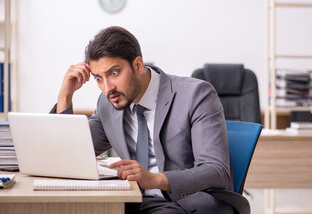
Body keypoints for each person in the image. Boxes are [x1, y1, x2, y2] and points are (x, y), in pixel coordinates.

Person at [52, 26, 248, 214]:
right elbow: (70, 152)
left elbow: (216, 171)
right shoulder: (108, 103)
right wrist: (65, 96)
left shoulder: (196, 94)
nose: (107, 87)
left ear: (138, 65)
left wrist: (155, 179)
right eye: (98, 78)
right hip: (132, 199)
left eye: (114, 73)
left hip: (186, 204)